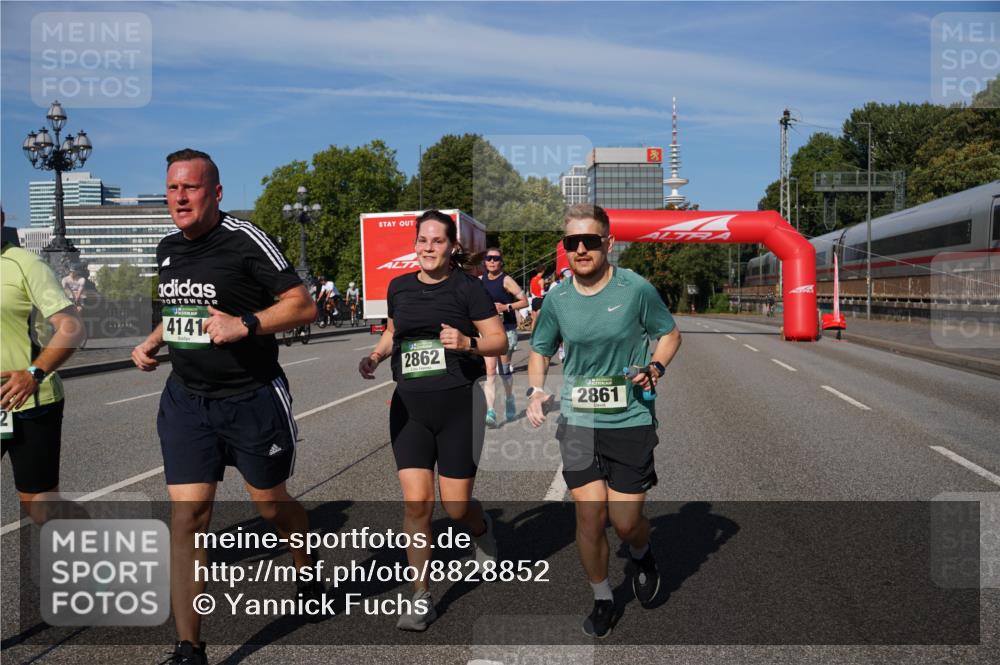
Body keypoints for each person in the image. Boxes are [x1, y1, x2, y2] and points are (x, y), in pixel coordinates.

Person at [131, 149, 319, 665]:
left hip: (252, 398)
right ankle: (189, 647)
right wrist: (153, 341)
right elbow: (179, 310)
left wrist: (247, 324)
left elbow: (304, 305)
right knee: (188, 517)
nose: (180, 197)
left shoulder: (244, 239)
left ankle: (306, 564)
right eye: (172, 188)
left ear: (215, 193)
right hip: (188, 401)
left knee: (270, 504)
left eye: (191, 188)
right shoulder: (168, 249)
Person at [526, 204, 681, 638]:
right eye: (571, 243)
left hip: (629, 418)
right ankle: (602, 598)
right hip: (578, 420)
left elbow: (669, 333)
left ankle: (642, 550)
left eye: (589, 241)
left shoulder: (635, 290)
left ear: (608, 244)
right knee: (590, 517)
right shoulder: (557, 298)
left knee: (626, 521)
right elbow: (539, 348)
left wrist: (656, 367)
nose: (580, 249)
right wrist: (536, 389)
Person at [358, 209, 507, 631]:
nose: (428, 248)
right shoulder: (399, 287)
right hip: (411, 410)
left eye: (437, 241)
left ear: (452, 246)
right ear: (415, 245)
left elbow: (497, 341)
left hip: (460, 407)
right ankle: (421, 596)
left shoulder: (468, 289)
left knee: (456, 507)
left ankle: (481, 530)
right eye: (422, 241)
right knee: (417, 504)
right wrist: (375, 355)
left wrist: (467, 342)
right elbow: (393, 330)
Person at [2, 208, 84, 525]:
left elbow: (72, 327)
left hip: (29, 401)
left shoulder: (25, 264)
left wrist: (33, 374)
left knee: (40, 509)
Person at [479, 247, 528, 427]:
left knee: (504, 370)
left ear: (501, 262)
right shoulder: (480, 281)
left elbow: (524, 301)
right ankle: (490, 411)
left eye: (496, 258)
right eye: (489, 258)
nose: (492, 261)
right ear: (484, 262)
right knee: (490, 371)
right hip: (487, 332)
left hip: (506, 330)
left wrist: (506, 307)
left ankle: (509, 398)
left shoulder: (506, 280)